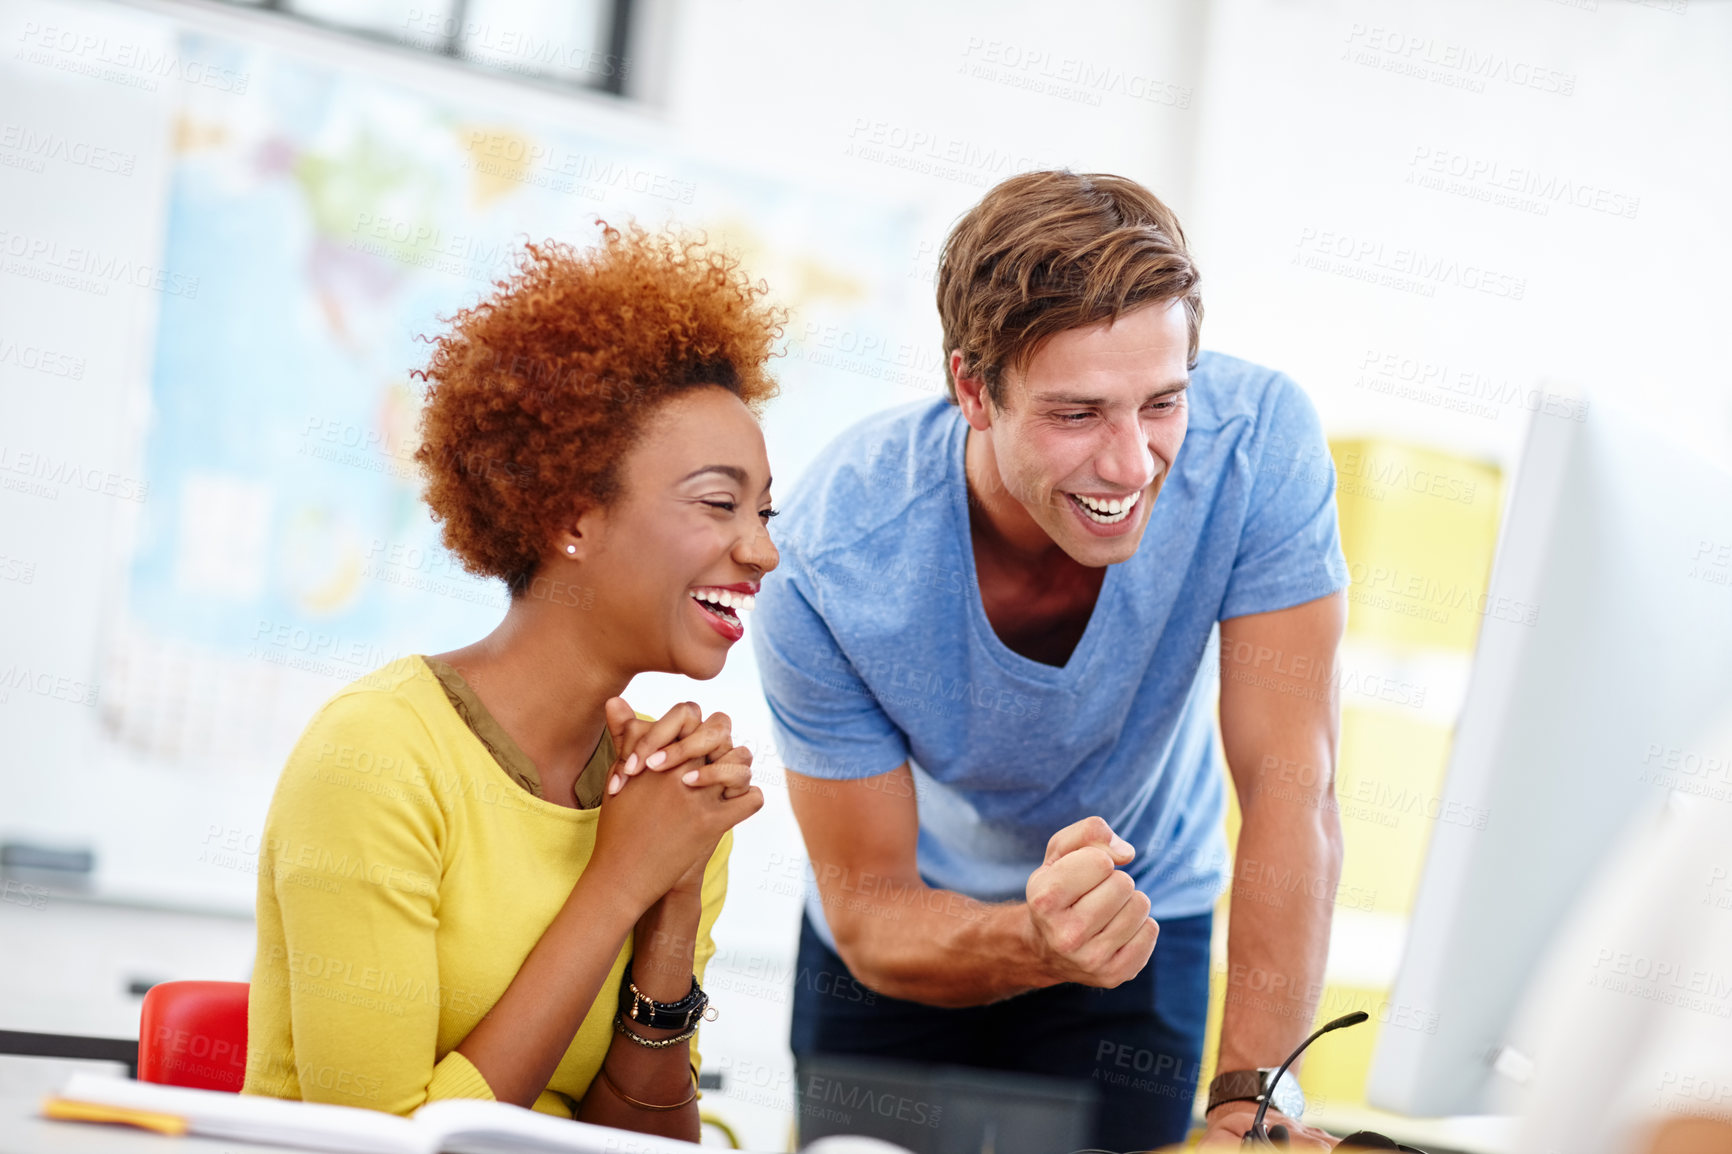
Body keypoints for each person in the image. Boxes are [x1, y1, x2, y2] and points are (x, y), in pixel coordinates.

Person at [753, 171, 1351, 1152]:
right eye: (1077, 414)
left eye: (1161, 402)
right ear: (971, 389)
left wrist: (1254, 1103)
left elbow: (1293, 790)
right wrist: (1032, 942)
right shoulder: (829, 556)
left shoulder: (1257, 447)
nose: (1130, 463)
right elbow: (869, 909)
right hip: (905, 940)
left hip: (1140, 922)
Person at [241, 224, 782, 1142]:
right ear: (573, 517)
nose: (762, 550)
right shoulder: (378, 757)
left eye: (766, 511)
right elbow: (393, 1144)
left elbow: (644, 1143)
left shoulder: (666, 792)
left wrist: (672, 905)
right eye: (719, 503)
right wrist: (619, 883)